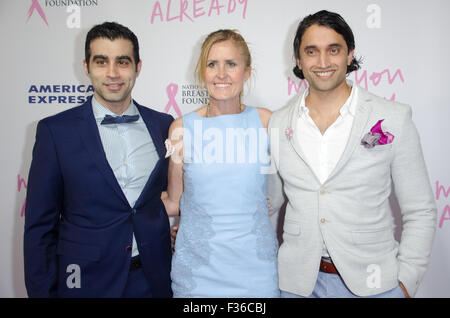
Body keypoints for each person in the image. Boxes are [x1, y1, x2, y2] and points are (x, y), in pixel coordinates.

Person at [268, 10, 436, 298]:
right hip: (297, 286)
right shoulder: (278, 122)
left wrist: (405, 284)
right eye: (311, 51)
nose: (322, 62)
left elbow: (420, 210)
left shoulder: (393, 117)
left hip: (376, 286)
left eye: (333, 50)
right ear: (298, 60)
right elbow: (267, 206)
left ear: (350, 54)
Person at [23, 22, 173, 298]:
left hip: (153, 280)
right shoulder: (55, 132)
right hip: (84, 281)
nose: (113, 73)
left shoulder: (165, 126)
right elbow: (39, 228)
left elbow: (171, 196)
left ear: (138, 67)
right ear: (86, 66)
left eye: (123, 62)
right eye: (101, 62)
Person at [162, 29, 280, 297]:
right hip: (198, 274)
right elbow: (175, 201)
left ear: (247, 72)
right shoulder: (180, 129)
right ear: (201, 71)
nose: (221, 74)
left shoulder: (266, 122)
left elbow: (283, 190)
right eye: (212, 64)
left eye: (231, 64)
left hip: (256, 273)